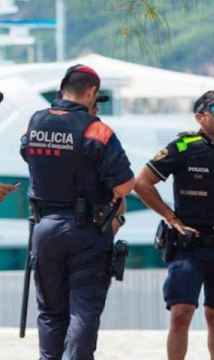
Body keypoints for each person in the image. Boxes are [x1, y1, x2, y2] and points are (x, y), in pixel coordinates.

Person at [134, 90, 214, 360]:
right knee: (181, 313)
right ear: (200, 116)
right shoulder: (183, 147)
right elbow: (142, 183)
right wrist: (170, 218)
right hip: (187, 244)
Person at [20, 64, 134, 360]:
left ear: (63, 89)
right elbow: (125, 184)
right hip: (86, 231)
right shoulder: (96, 129)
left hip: (44, 229)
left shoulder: (35, 122)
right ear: (91, 92)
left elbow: (27, 154)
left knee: (50, 312)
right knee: (83, 310)